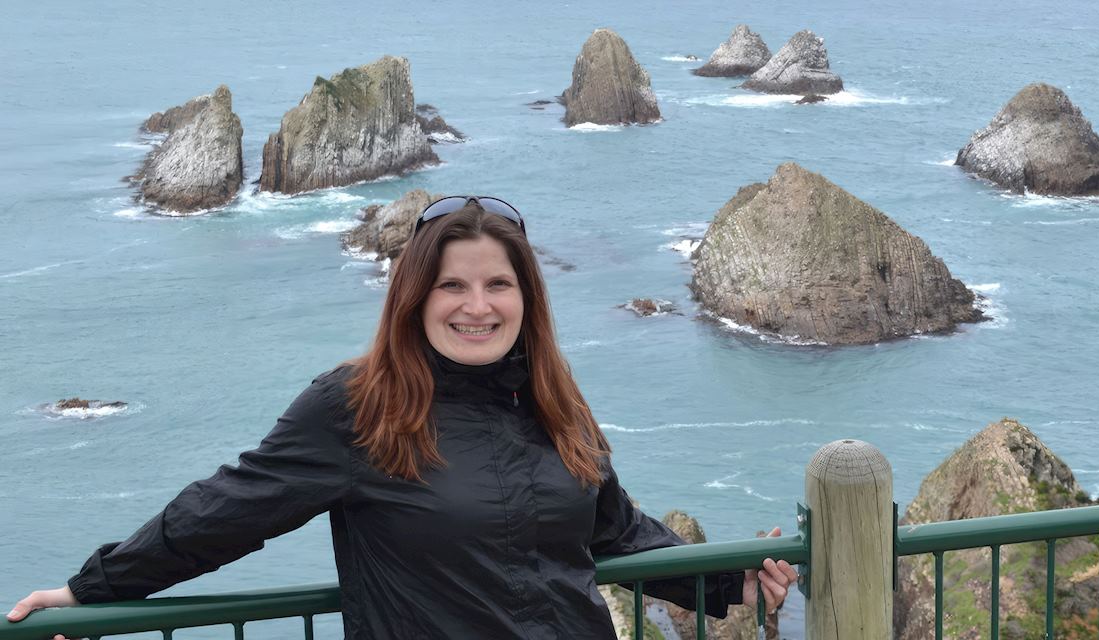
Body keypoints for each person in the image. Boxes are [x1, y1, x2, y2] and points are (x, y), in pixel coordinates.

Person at [5, 197, 798, 638]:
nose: (478, 306)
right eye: (453, 286)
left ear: (528, 298)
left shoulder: (556, 399)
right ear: (414, 297)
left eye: (499, 285)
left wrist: (733, 578)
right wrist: (93, 590)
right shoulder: (359, 405)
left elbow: (615, 532)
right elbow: (227, 511)